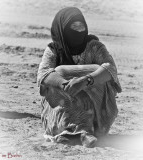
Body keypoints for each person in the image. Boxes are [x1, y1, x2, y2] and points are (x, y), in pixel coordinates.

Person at [37, 7, 122, 147]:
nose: (78, 30)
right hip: (61, 116)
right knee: (58, 73)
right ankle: (79, 133)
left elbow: (110, 68)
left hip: (97, 118)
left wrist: (85, 82)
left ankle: (87, 130)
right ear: (62, 29)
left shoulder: (94, 47)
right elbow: (43, 75)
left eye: (81, 25)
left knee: (99, 71)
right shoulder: (53, 50)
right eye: (73, 26)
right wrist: (67, 86)